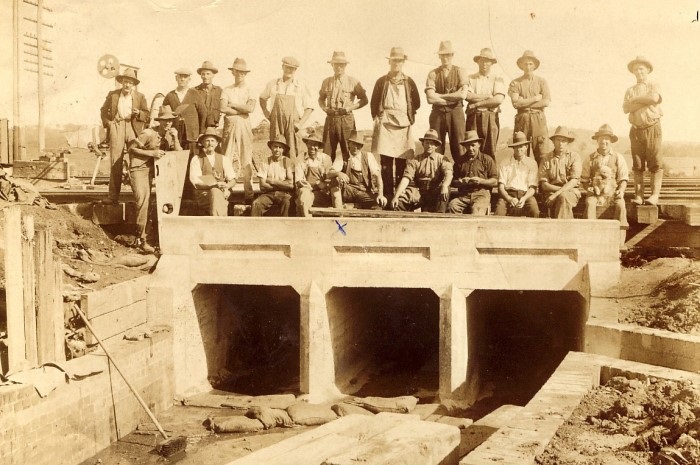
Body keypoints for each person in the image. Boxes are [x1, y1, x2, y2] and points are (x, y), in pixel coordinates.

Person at [127, 105, 182, 252]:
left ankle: (149, 236)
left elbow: (179, 154)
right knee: (142, 202)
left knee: (156, 203)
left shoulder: (170, 135)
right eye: (164, 121)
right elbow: (131, 148)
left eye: (170, 121)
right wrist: (152, 153)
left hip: (156, 171)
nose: (167, 124)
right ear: (159, 121)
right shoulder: (148, 132)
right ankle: (141, 240)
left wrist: (176, 138)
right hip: (139, 169)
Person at [370, 46, 421, 199]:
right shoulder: (381, 81)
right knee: (385, 162)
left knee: (401, 161)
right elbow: (374, 102)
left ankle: (398, 197)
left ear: (403, 62)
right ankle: (385, 195)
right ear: (389, 62)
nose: (396, 64)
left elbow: (417, 102)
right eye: (394, 61)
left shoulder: (409, 82)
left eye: (399, 61)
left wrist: (407, 114)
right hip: (386, 122)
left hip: (403, 123)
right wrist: (378, 117)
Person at [99, 68, 150, 205]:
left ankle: (138, 196)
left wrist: (139, 112)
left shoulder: (140, 97)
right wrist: (108, 123)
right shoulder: (113, 95)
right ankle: (113, 197)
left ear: (133, 85)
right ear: (121, 82)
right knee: (116, 161)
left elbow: (147, 114)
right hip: (118, 125)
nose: (127, 85)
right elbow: (103, 111)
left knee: (136, 160)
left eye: (130, 83)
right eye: (125, 82)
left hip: (133, 128)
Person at [623, 56, 663, 205]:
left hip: (652, 127)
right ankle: (639, 196)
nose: (638, 72)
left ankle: (654, 195)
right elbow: (626, 108)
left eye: (641, 69)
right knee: (638, 164)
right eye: (635, 69)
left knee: (655, 162)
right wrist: (641, 101)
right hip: (636, 130)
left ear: (647, 70)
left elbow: (653, 98)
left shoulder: (653, 84)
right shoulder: (630, 90)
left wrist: (635, 100)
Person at [581, 124, 629, 247]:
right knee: (590, 203)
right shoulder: (590, 158)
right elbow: (585, 180)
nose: (604, 141)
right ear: (597, 140)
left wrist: (621, 191)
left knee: (621, 205)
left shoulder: (618, 157)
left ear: (611, 141)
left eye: (607, 138)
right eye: (601, 138)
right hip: (596, 194)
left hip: (613, 193)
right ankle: (590, 240)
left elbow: (623, 178)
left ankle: (619, 243)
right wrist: (589, 188)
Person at [259, 57, 313, 161]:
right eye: (287, 67)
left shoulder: (300, 85)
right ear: (282, 67)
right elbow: (262, 98)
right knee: (277, 148)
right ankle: (278, 174)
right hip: (276, 124)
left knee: (293, 149)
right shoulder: (273, 84)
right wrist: (266, 112)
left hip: (293, 124)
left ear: (295, 70)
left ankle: (293, 174)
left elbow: (309, 107)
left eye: (292, 68)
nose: (289, 70)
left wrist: (300, 124)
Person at [318, 51, 368, 163]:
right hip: (331, 119)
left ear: (345, 65)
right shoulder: (326, 82)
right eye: (336, 64)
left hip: (346, 119)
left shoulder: (353, 82)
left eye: (341, 64)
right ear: (332, 65)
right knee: (327, 151)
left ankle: (349, 176)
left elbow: (364, 100)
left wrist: (350, 108)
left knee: (348, 149)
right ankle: (327, 177)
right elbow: (321, 99)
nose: (338, 67)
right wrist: (324, 108)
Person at [220, 58, 257, 204]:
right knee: (227, 156)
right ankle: (226, 190)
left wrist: (233, 105)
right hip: (230, 124)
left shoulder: (250, 89)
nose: (240, 74)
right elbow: (223, 108)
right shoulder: (226, 89)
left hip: (244, 124)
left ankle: (249, 192)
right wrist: (242, 109)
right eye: (237, 72)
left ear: (245, 74)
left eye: (242, 72)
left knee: (246, 157)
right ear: (233, 72)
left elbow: (250, 109)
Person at [390, 129, 453, 212]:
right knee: (399, 202)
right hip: (420, 192)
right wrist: (396, 196)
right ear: (423, 144)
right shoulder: (415, 160)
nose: (429, 146)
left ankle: (439, 219)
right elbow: (406, 178)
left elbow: (449, 173)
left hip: (435, 192)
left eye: (432, 143)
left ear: (436, 146)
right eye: (427, 143)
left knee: (446, 189)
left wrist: (444, 186)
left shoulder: (442, 159)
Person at [425, 41, 468, 160]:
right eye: (442, 55)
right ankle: (436, 177)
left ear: (452, 55)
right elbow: (430, 98)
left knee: (460, 146)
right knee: (436, 146)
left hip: (456, 113)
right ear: (439, 56)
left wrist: (440, 96)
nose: (445, 58)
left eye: (448, 55)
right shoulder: (433, 73)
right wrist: (451, 98)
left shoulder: (460, 71)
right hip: (437, 114)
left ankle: (459, 176)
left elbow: (462, 95)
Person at [508, 51, 551, 164]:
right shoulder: (515, 83)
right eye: (525, 64)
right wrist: (535, 99)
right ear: (521, 65)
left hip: (538, 119)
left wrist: (524, 102)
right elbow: (515, 103)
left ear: (535, 65)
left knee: (542, 152)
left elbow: (546, 102)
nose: (528, 67)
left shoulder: (542, 82)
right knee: (520, 150)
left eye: (530, 64)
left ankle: (541, 181)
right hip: (522, 119)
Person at [465, 48, 506, 158]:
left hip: (490, 117)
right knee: (472, 148)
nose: (484, 64)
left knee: (490, 150)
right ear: (478, 61)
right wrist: (488, 97)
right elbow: (468, 96)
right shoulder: (470, 78)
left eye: (487, 61)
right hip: (473, 117)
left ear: (492, 63)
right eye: (482, 60)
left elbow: (498, 100)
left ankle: (490, 174)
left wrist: (477, 103)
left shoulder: (498, 78)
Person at [447, 130, 497, 215]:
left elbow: (495, 181)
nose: (470, 148)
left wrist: (481, 181)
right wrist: (461, 182)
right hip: (463, 196)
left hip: (481, 194)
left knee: (476, 212)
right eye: (468, 146)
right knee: (452, 206)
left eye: (473, 145)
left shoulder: (487, 160)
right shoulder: (460, 161)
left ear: (479, 144)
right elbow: (453, 182)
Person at [333, 131, 387, 209]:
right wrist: (338, 173)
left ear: (361, 146)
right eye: (353, 143)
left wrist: (380, 194)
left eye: (358, 145)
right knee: (335, 180)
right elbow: (329, 173)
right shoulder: (342, 156)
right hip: (348, 191)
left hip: (364, 192)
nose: (355, 147)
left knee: (379, 203)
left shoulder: (368, 156)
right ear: (349, 144)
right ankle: (348, 208)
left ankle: (354, 206)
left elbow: (377, 175)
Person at [189, 127, 236, 216]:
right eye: (207, 141)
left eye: (212, 141)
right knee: (215, 192)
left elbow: (233, 180)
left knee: (217, 194)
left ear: (217, 143)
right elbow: (196, 182)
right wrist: (215, 185)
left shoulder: (224, 159)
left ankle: (217, 223)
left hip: (222, 192)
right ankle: (220, 223)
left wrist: (226, 186)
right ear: (202, 143)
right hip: (203, 194)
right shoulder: (197, 159)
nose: (210, 143)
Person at [538, 126, 582, 219]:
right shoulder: (546, 159)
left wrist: (557, 194)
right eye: (558, 140)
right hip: (550, 194)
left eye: (564, 141)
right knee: (562, 197)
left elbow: (574, 181)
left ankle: (561, 229)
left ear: (568, 143)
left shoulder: (574, 157)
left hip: (571, 193)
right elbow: (544, 185)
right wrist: (558, 192)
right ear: (553, 141)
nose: (561, 144)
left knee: (563, 197)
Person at [495, 131, 540, 217]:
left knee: (534, 210)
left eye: (521, 146)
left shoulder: (532, 163)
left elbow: (532, 188)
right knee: (499, 211)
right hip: (508, 194)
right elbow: (501, 187)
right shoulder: (505, 162)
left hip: (526, 195)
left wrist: (524, 198)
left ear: (526, 147)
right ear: (513, 148)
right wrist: (509, 199)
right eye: (516, 147)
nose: (519, 149)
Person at [295, 133, 342, 217]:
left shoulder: (325, 158)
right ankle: (307, 222)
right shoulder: (301, 158)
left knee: (335, 191)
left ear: (319, 146)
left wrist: (323, 185)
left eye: (315, 145)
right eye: (310, 144)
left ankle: (338, 219)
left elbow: (329, 176)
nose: (312, 147)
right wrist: (309, 185)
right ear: (306, 144)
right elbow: (299, 180)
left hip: (322, 191)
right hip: (307, 189)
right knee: (304, 197)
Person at [162, 68, 207, 154]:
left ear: (189, 79)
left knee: (193, 158)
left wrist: (201, 132)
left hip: (192, 134)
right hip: (176, 134)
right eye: (180, 77)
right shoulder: (170, 95)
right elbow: (164, 113)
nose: (182, 79)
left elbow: (203, 113)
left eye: (185, 77)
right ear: (176, 78)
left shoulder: (195, 94)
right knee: (178, 157)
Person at [251, 135, 295, 217]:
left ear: (283, 149)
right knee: (256, 204)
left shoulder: (288, 162)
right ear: (271, 147)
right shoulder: (265, 162)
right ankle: (255, 228)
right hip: (268, 194)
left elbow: (291, 185)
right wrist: (282, 184)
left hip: (284, 194)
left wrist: (272, 181)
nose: (277, 150)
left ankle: (285, 228)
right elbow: (262, 185)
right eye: (275, 146)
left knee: (287, 203)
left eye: (280, 147)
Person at [194, 60, 223, 129]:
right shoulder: (194, 91)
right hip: (198, 126)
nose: (205, 76)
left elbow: (225, 106)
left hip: (214, 127)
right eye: (203, 74)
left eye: (208, 74)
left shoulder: (219, 90)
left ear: (213, 75)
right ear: (200, 75)